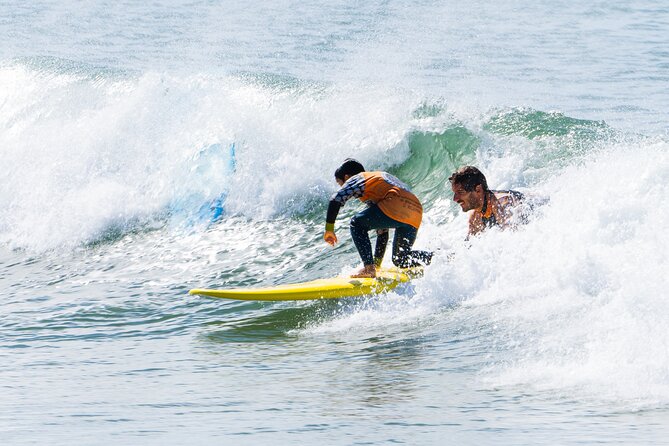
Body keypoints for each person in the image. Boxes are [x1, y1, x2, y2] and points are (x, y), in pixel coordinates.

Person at [324, 159, 432, 278]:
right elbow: (382, 232)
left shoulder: (358, 178)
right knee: (401, 259)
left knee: (356, 224)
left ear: (347, 177)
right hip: (415, 211)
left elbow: (336, 199)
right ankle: (438, 258)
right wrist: (377, 265)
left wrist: (329, 229)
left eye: (340, 183)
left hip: (396, 203)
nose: (341, 187)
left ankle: (369, 269)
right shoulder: (377, 182)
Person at [448, 166, 528, 238]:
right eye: (455, 193)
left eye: (460, 192)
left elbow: (519, 238)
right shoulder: (475, 218)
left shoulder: (503, 204)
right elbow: (467, 247)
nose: (455, 199)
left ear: (478, 190)